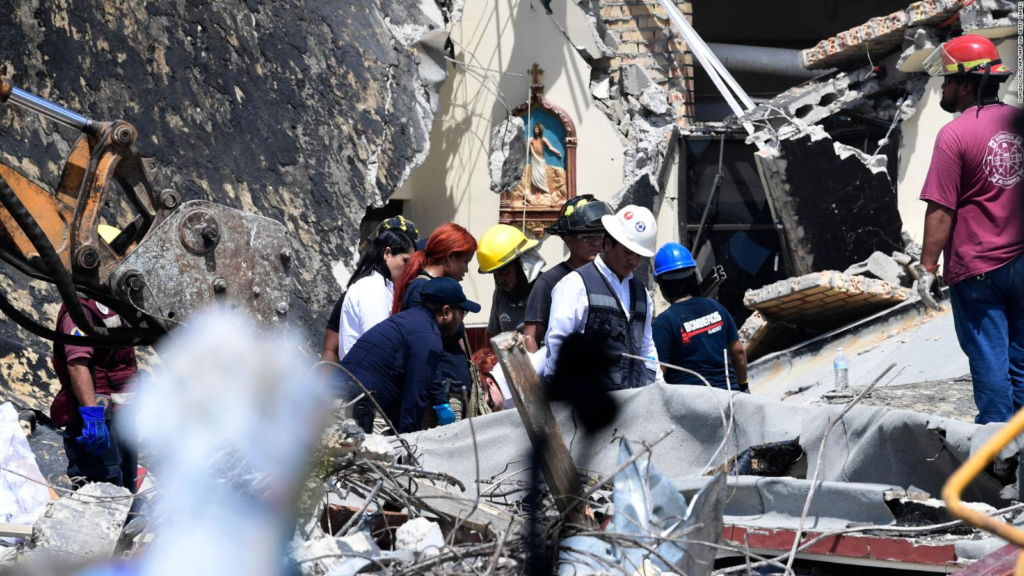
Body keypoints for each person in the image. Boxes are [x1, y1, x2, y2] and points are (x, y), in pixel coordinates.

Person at [917, 35, 1022, 424]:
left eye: (945, 81)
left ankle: (999, 455)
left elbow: (941, 210)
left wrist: (927, 269)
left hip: (978, 268)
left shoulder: (954, 135)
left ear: (965, 83)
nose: (942, 89)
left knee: (989, 361)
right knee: (1022, 363)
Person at [49, 226, 138, 491]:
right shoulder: (81, 310)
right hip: (97, 426)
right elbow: (78, 364)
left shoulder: (113, 306)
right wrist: (92, 417)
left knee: (123, 494)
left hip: (121, 422)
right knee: (100, 495)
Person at [542, 205, 660, 389]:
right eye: (628, 252)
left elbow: (646, 347)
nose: (633, 261)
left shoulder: (641, 293)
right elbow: (558, 342)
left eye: (639, 255)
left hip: (636, 405)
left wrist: (657, 389)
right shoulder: (576, 284)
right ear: (607, 244)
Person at [342, 278, 481, 434]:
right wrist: (409, 443)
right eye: (463, 312)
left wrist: (441, 403)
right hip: (359, 408)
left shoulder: (409, 321)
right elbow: (415, 396)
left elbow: (426, 372)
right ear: (446, 312)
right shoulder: (428, 336)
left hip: (336, 398)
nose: (462, 319)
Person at [392, 223, 477, 426]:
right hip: (444, 396)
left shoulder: (435, 288)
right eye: (465, 261)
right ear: (450, 257)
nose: (466, 269)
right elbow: (426, 351)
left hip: (453, 391)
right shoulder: (422, 291)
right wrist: (440, 402)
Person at [321, 216, 419, 365]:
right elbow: (379, 346)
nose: (410, 268)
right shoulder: (372, 289)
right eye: (405, 260)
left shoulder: (383, 287)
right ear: (386, 252)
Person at [651, 243, 748, 391]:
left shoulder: (664, 322)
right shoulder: (716, 307)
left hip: (691, 406)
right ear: (693, 276)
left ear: (662, 285)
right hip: (729, 396)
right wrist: (744, 386)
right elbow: (738, 352)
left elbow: (659, 373)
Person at [524, 195, 613, 352]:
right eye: (587, 236)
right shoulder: (549, 281)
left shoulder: (611, 278)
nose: (596, 242)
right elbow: (531, 336)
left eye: (601, 236)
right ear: (569, 241)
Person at [477, 224, 546, 339]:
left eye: (505, 273)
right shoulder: (499, 295)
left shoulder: (546, 289)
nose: (500, 280)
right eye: (496, 274)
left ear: (522, 267)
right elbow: (495, 337)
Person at [528, 124, 562, 202]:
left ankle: (544, 190)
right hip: (534, 160)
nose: (536, 131)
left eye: (537, 129)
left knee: (542, 175)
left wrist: (557, 152)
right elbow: (528, 151)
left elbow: (550, 147)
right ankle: (537, 192)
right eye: (535, 129)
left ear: (540, 130)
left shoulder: (543, 139)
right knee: (535, 176)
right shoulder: (531, 140)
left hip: (540, 160)